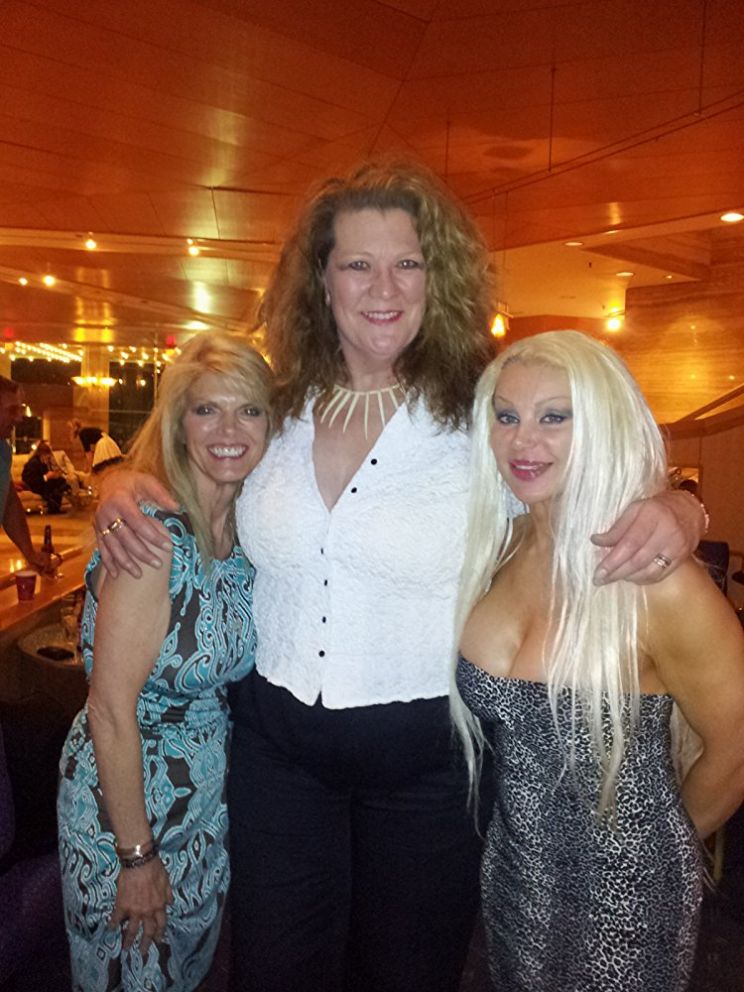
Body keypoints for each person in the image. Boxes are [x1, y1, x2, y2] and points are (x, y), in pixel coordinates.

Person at [91, 162, 707, 992]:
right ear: (321, 281)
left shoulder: (477, 414)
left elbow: (589, 471)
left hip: (427, 764)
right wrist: (118, 480)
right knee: (275, 970)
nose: (383, 288)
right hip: (276, 755)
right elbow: (192, 457)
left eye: (407, 263)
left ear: (436, 279)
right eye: (357, 264)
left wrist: (681, 506)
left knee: (407, 973)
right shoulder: (279, 406)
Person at [453, 330, 744, 992]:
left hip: (630, 896)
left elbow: (737, 746)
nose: (523, 441)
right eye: (506, 416)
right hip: (514, 872)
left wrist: (653, 853)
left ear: (603, 424)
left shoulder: (656, 581)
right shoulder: (500, 547)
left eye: (555, 416)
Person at [57, 333, 272, 991]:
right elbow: (108, 709)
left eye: (250, 410)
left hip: (203, 803)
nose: (229, 430)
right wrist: (135, 857)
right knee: (131, 974)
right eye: (208, 410)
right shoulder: (152, 539)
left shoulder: (249, 537)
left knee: (183, 972)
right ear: (179, 423)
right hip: (126, 804)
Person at [0, 376, 56, 575]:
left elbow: (8, 503)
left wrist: (29, 553)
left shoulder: (3, 451)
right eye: (12, 410)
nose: (19, 418)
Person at [21, 439, 69, 513]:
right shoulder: (33, 463)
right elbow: (31, 480)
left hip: (43, 483)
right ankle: (54, 507)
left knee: (61, 481)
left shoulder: (42, 462)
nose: (47, 459)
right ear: (42, 454)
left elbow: (46, 474)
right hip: (34, 485)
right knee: (53, 486)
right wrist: (46, 477)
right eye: (47, 456)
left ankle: (55, 504)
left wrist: (54, 475)